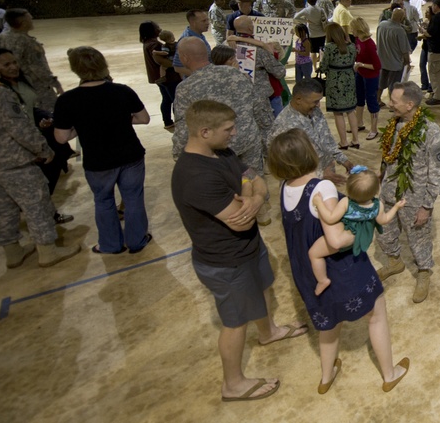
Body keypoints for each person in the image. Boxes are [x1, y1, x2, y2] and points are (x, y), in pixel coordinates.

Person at [171, 101, 308, 402]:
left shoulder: (220, 152)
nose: (234, 134)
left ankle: (269, 332)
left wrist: (252, 196)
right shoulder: (196, 175)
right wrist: (253, 196)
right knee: (234, 323)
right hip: (225, 261)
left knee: (264, 288)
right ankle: (232, 384)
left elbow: (254, 177)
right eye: (228, 129)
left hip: (249, 248)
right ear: (205, 131)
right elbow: (241, 220)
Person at [0, 48, 80, 268]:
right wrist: (43, 150)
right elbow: (18, 128)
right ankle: (47, 251)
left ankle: (12, 252)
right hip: (13, 162)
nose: (0, 68)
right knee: (36, 204)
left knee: (1, 208)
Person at [53, 47, 152, 255]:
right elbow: (144, 119)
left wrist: (80, 127)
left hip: (97, 160)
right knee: (133, 198)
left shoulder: (67, 100)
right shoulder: (122, 91)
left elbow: (61, 137)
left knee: (103, 200)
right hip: (130, 155)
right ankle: (137, 240)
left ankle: (110, 244)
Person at [375, 82, 440, 303]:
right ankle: (395, 262)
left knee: (418, 238)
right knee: (384, 232)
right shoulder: (393, 124)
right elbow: (388, 154)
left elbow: (438, 172)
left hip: (414, 199)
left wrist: (427, 206)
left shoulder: (430, 131)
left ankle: (424, 272)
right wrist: (381, 174)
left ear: (410, 104)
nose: (389, 105)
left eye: (394, 102)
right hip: (389, 192)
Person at [172, 38, 274, 182]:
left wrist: (179, 155)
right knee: (254, 183)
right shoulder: (237, 74)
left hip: (218, 149)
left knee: (227, 191)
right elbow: (260, 109)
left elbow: (183, 127)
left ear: (184, 58)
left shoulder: (185, 88)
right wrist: (267, 141)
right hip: (248, 142)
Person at [310, 165, 405, 295]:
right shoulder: (378, 205)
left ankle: (322, 280)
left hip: (344, 238)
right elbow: (384, 220)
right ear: (377, 190)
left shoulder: (346, 202)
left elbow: (330, 218)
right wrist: (396, 207)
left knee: (314, 253)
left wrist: (319, 202)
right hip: (361, 239)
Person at [0, 48, 75, 201]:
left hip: (34, 133)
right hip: (20, 142)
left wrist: (45, 118)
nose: (13, 67)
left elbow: (30, 108)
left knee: (54, 164)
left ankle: (47, 208)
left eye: (14, 62)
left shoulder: (22, 80)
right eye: (6, 65)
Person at [267, 79, 354, 183]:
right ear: (298, 99)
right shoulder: (284, 126)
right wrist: (321, 175)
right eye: (315, 101)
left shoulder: (314, 111)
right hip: (301, 186)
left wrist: (343, 160)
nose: (318, 105)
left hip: (325, 174)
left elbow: (326, 139)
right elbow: (284, 165)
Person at [0, 9, 63, 112]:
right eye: (30, 18)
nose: (32, 19)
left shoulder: (1, 37)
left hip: (11, 84)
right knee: (49, 114)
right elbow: (38, 68)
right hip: (35, 85)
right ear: (24, 23)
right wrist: (55, 83)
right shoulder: (27, 42)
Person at [231, 16, 288, 117]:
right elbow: (279, 72)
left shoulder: (226, 47)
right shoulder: (260, 49)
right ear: (250, 28)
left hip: (236, 97)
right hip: (261, 99)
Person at [318, 22, 360, 148]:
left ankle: (343, 141)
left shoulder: (329, 48)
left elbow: (324, 66)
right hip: (349, 79)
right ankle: (356, 140)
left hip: (334, 81)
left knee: (338, 113)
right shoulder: (352, 46)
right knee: (351, 111)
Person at [140, 21, 180, 131]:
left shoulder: (147, 42)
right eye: (157, 27)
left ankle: (167, 121)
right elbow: (163, 62)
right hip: (168, 78)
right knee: (176, 101)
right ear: (152, 31)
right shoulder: (156, 45)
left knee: (166, 99)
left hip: (158, 78)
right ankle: (180, 123)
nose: (160, 29)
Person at [349, 17, 381, 140]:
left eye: (353, 29)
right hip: (360, 74)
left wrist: (361, 64)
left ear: (358, 29)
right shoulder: (358, 40)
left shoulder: (369, 44)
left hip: (371, 77)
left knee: (371, 101)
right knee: (359, 98)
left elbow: (377, 66)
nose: (351, 31)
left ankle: (374, 129)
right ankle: (359, 123)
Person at [375, 8, 411, 104]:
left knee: (381, 83)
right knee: (394, 85)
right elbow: (404, 50)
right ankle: (393, 104)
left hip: (382, 61)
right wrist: (407, 62)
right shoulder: (399, 30)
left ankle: (377, 100)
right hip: (395, 63)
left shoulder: (381, 25)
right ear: (402, 18)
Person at [170, 9, 212, 77]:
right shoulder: (186, 41)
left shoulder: (199, 34)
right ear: (193, 23)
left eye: (207, 20)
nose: (207, 23)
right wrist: (201, 76)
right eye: (204, 21)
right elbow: (177, 67)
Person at [293, 0, 328, 68]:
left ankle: (314, 67)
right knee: (321, 51)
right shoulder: (321, 9)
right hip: (322, 32)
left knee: (313, 51)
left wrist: (305, 20)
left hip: (312, 34)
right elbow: (325, 19)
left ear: (308, 2)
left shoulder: (306, 10)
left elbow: (296, 17)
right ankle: (322, 66)